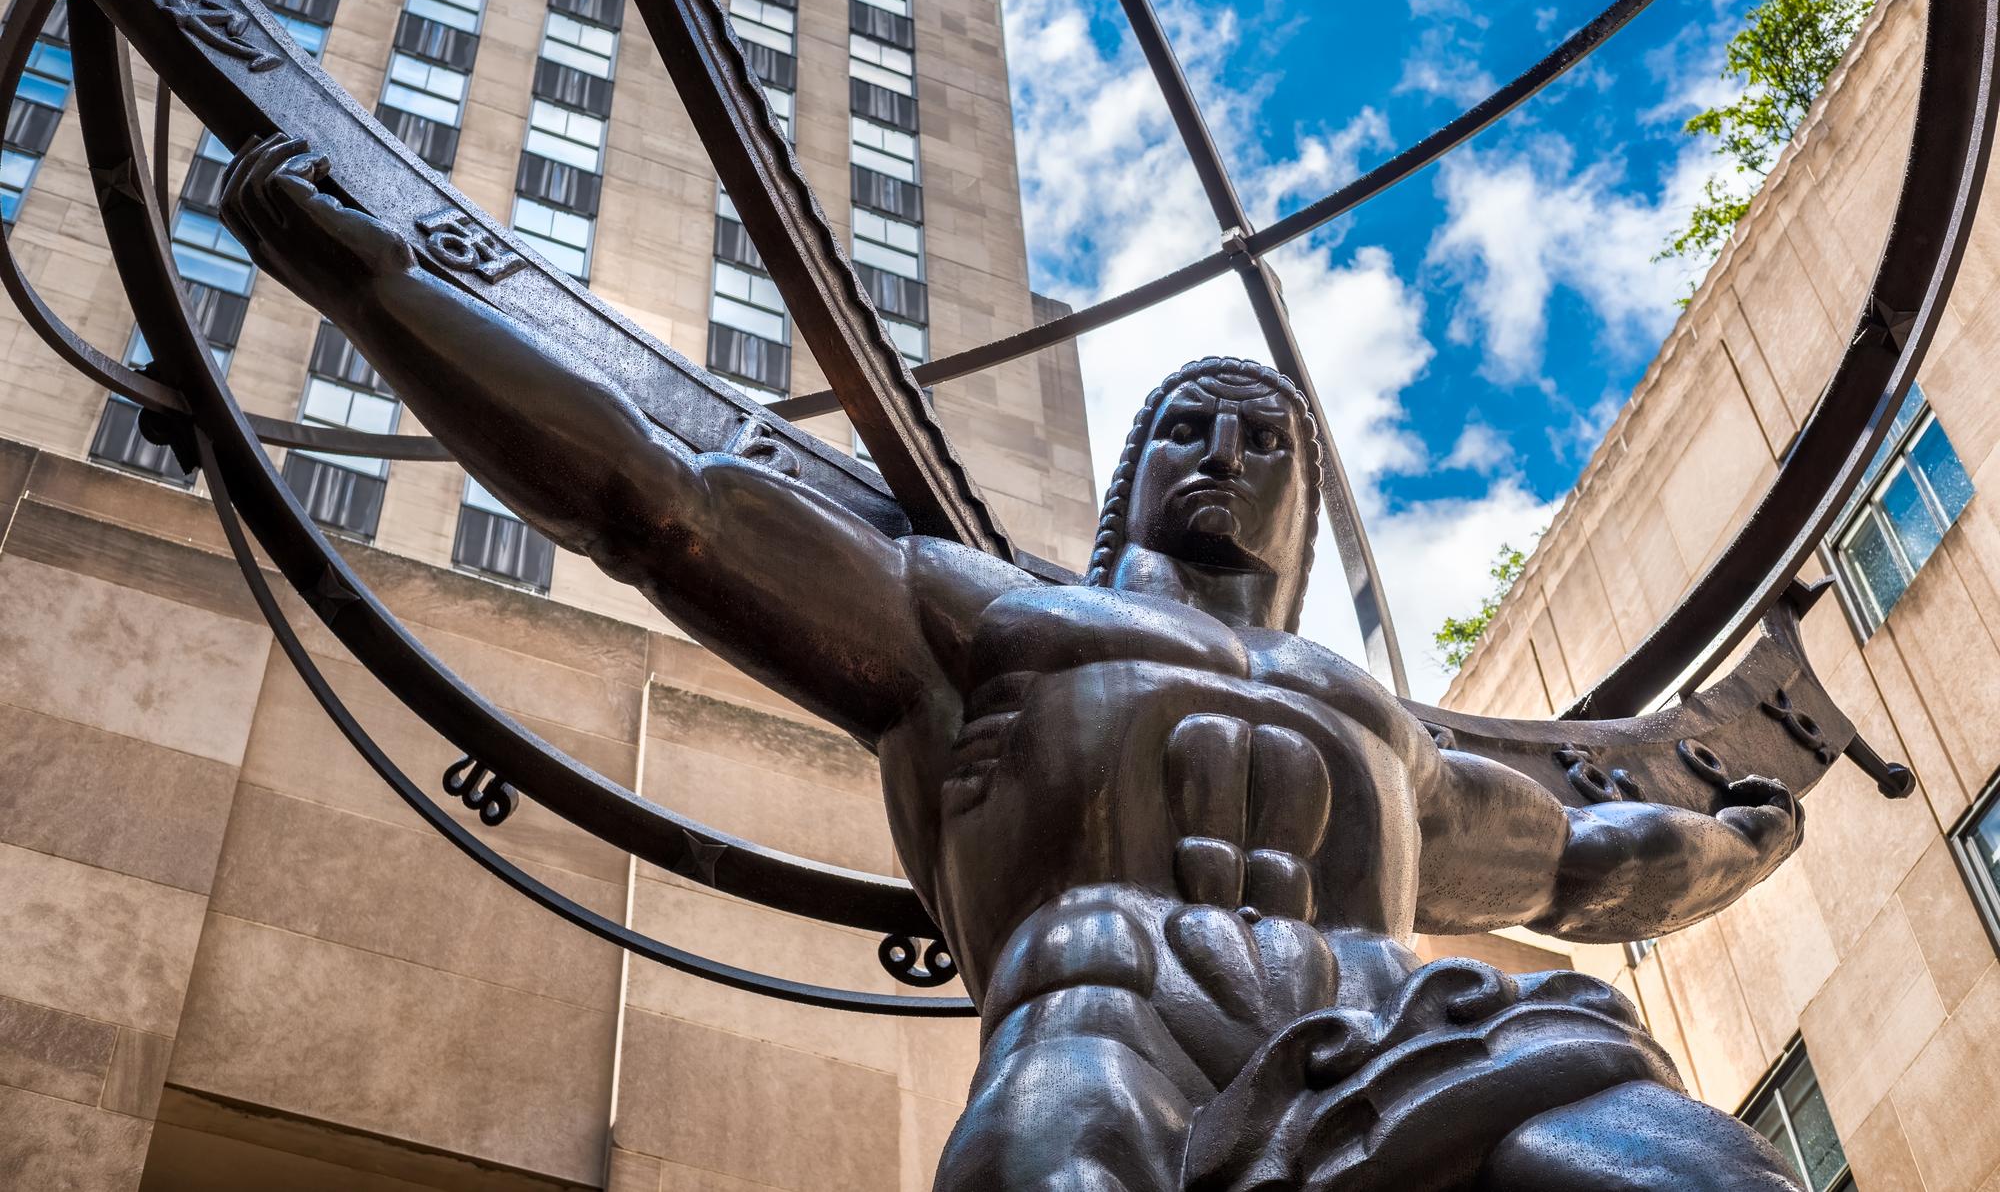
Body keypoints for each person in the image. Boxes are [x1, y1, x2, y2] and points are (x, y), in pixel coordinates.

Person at [220, 134, 1807, 1191]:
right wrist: (378, 286)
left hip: (1405, 1008)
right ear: (1126, 483)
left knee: (1695, 1167)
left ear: (1306, 509)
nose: (1227, 456)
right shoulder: (987, 618)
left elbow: (1590, 865)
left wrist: (1743, 835)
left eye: (1267, 442)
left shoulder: (1374, 723)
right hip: (1108, 1004)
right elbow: (661, 500)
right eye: (1188, 427)